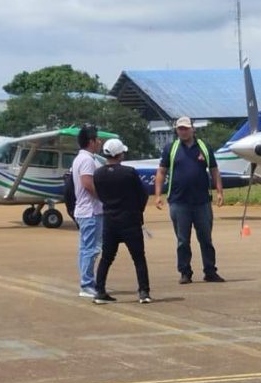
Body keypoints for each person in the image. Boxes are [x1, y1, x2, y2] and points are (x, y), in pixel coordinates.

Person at [154, 116, 225, 284]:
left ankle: (210, 271)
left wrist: (219, 192)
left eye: (186, 128)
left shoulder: (204, 148)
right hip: (179, 202)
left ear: (193, 129)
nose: (183, 131)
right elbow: (162, 172)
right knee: (182, 240)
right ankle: (185, 272)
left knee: (206, 239)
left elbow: (214, 170)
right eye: (180, 129)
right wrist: (158, 195)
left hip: (202, 202)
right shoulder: (171, 148)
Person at [92, 139, 151, 304]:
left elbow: (100, 195)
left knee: (107, 258)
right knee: (138, 257)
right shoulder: (129, 172)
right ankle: (144, 292)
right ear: (119, 154)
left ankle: (100, 291)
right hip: (130, 220)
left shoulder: (98, 174)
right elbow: (142, 194)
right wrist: (138, 210)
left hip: (110, 220)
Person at [71, 124, 104, 298]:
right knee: (91, 248)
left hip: (87, 210)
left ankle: (88, 281)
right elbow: (87, 183)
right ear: (91, 141)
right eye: (97, 139)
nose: (99, 142)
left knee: (87, 248)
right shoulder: (87, 160)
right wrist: (102, 197)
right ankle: (87, 284)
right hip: (91, 211)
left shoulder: (81, 158)